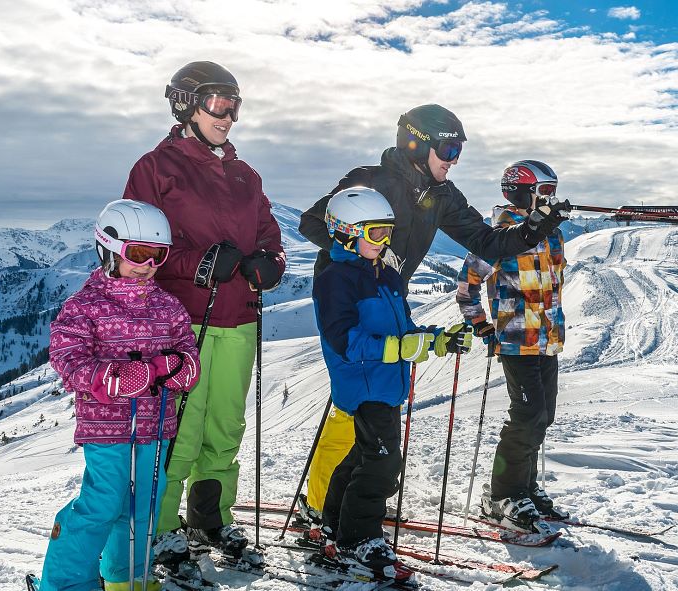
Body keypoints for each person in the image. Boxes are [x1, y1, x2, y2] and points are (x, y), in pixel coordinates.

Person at [296, 104, 570, 534]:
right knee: (353, 404)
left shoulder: (442, 195)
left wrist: (535, 227)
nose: (453, 159)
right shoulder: (370, 180)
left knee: (382, 402)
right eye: (447, 148)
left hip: (390, 299)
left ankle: (357, 499)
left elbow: (487, 240)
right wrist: (364, 258)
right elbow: (312, 222)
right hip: (348, 298)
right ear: (416, 143)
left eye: (458, 150)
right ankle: (318, 505)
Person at [123, 60, 286, 574]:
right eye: (218, 102)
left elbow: (270, 238)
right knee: (181, 428)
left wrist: (269, 266)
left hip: (237, 318)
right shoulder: (156, 169)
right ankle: (163, 527)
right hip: (182, 322)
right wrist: (199, 264)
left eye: (235, 105)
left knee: (224, 426)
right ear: (185, 104)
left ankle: (209, 519)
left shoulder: (245, 174)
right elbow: (137, 248)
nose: (229, 115)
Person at [36, 199, 201, 591]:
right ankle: (65, 582)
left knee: (145, 504)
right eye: (137, 253)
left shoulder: (168, 306)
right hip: (106, 429)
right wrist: (115, 378)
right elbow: (67, 358)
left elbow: (189, 361)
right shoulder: (85, 306)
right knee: (103, 504)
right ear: (108, 250)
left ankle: (124, 577)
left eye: (157, 255)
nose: (147, 264)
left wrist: (169, 370)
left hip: (155, 426)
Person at [312, 187, 471, 581]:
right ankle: (358, 537)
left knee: (363, 456)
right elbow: (343, 340)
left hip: (384, 382)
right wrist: (399, 347)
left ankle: (333, 525)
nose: (384, 242)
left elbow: (406, 331)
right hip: (363, 384)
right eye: (377, 233)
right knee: (383, 462)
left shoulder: (386, 276)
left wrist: (437, 339)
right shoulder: (336, 279)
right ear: (347, 232)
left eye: (387, 233)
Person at [455, 160, 570, 534]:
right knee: (527, 415)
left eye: (553, 191)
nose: (550, 199)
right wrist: (483, 327)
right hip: (516, 341)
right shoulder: (498, 237)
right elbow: (466, 289)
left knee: (543, 416)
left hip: (548, 340)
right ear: (522, 192)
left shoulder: (551, 234)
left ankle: (525, 487)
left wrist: (548, 221)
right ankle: (501, 494)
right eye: (545, 191)